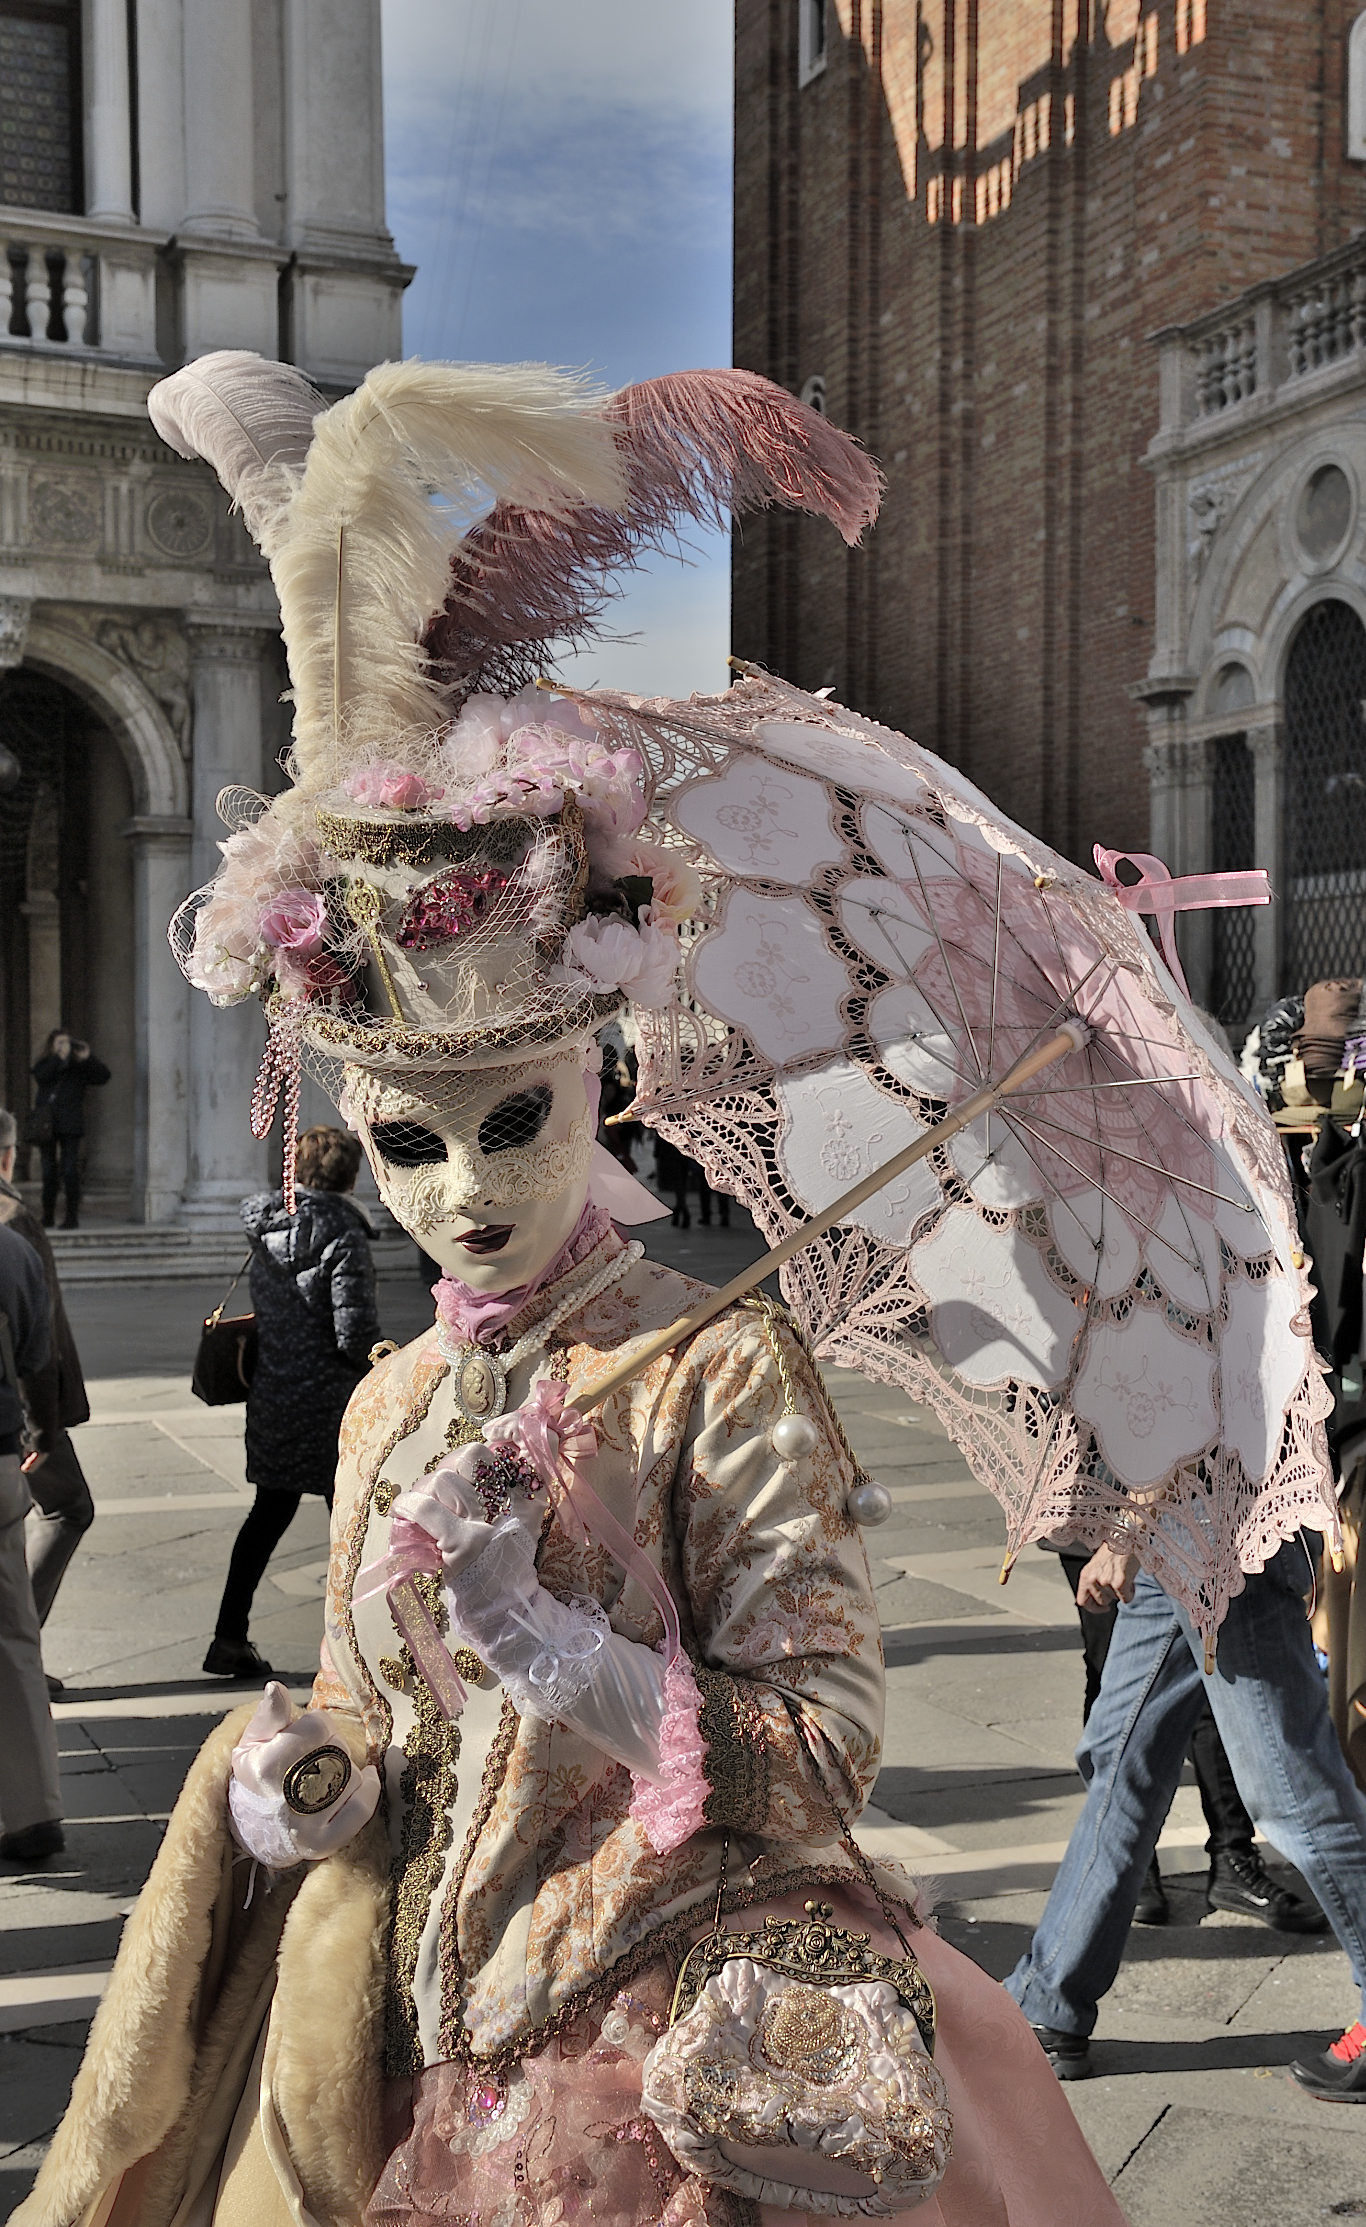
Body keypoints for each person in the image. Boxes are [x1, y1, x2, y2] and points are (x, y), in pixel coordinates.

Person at [15, 351, 1127, 2227]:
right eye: (407, 1144)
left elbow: (829, 1731)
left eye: (507, 1120)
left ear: (598, 1078)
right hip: (426, 2030)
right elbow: (374, 1712)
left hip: (668, 2052)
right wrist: (309, 1774)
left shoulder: (708, 1365)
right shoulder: (381, 1400)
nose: (460, 1192)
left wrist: (579, 1657)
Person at [1008, 1539, 1366, 2103]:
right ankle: (1049, 2000)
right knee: (1122, 1758)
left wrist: (1127, 1533)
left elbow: (1197, 1444)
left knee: (1292, 1788)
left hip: (1220, 1536)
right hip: (1168, 1540)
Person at [1057, 1542, 1325, 1935]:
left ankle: (1232, 1855)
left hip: (1183, 1518)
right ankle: (1128, 1866)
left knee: (1209, 1667)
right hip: (1100, 1511)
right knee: (1111, 1671)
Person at [204, 1125, 381, 1681]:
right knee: (354, 1527)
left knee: (267, 1516)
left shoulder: (267, 1228)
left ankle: (228, 1636)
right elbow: (354, 1334)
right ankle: (362, 1649)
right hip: (332, 1403)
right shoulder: (342, 1233)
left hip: (276, 1393)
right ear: (350, 1175)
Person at [0, 1108, 95, 1691]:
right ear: (9, 1155)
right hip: (17, 1415)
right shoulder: (15, 1220)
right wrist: (45, 1428)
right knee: (67, 1508)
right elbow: (40, 1335)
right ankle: (19, 1655)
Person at [0, 1218, 64, 1864]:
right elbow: (37, 1358)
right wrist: (41, 1433)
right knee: (14, 1636)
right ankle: (33, 1812)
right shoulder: (12, 1248)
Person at [29, 1030, 110, 1229]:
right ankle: (48, 1215)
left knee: (69, 1170)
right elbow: (41, 1076)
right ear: (52, 1045)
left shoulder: (79, 1067)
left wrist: (88, 1058)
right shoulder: (46, 1062)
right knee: (48, 1172)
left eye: (67, 1042)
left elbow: (103, 1076)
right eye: (60, 1042)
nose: (64, 1046)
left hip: (70, 1124)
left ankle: (71, 1217)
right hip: (47, 1124)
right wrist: (58, 1058)